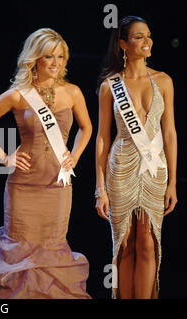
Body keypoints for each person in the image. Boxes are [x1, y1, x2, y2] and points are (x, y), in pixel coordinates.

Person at [0, 28, 92, 299]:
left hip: (57, 186)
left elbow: (86, 128)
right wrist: (4, 157)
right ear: (35, 59)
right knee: (17, 252)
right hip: (23, 186)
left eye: (61, 57)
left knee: (51, 252)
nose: (56, 63)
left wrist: (75, 155)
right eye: (49, 56)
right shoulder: (18, 94)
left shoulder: (73, 92)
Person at [95, 16, 177, 299]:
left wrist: (173, 184)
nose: (148, 41)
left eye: (149, 36)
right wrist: (99, 187)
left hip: (155, 170)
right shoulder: (110, 85)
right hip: (120, 168)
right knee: (125, 242)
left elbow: (169, 133)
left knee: (148, 241)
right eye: (139, 37)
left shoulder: (164, 80)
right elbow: (102, 137)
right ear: (122, 45)